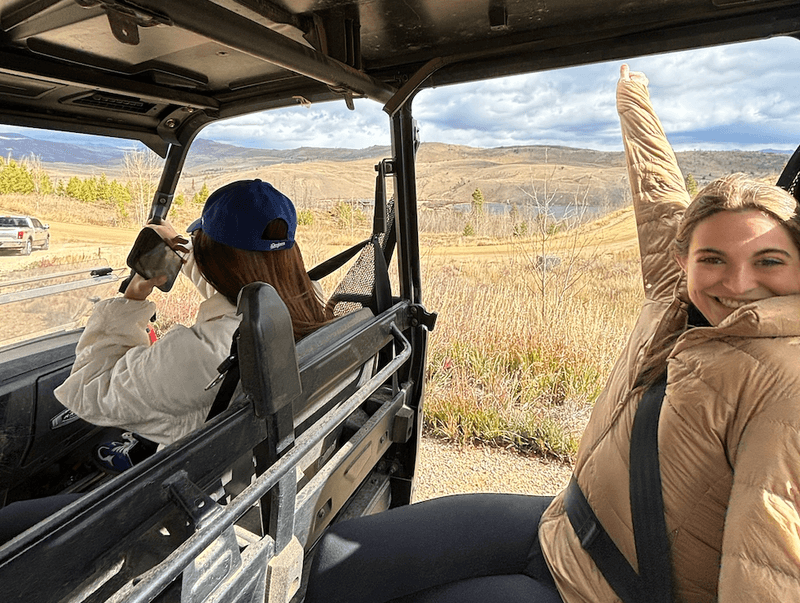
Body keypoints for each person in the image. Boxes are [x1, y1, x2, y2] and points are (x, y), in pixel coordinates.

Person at [303, 65, 800, 602]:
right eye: (714, 258)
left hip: (598, 592)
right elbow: (658, 192)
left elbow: (768, 571)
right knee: (338, 559)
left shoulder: (787, 387)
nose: (739, 281)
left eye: (769, 260)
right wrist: (632, 100)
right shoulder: (677, 293)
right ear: (684, 259)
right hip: (563, 523)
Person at [54, 179, 328, 454]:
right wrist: (185, 252)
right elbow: (240, 283)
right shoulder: (303, 306)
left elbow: (89, 389)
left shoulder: (201, 351)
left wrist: (132, 299)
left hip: (190, 486)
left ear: (216, 258)